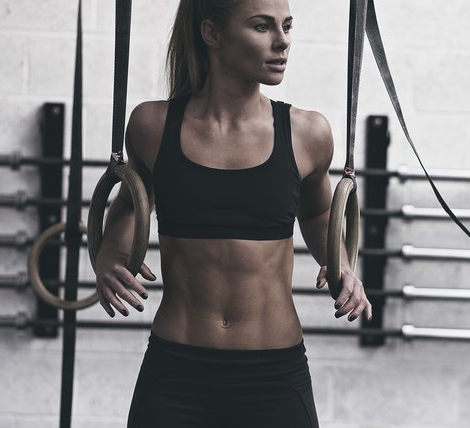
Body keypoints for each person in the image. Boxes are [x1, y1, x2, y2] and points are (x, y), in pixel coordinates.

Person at [94, 0, 372, 426]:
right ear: (213, 34)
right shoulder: (152, 125)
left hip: (273, 373)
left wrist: (341, 265)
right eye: (262, 27)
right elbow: (130, 202)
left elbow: (318, 214)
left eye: (287, 26)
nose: (283, 42)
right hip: (176, 370)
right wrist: (110, 258)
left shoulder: (307, 133)